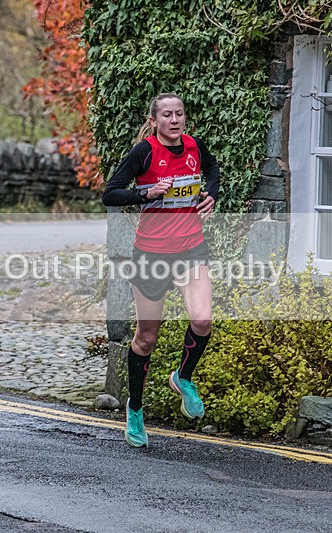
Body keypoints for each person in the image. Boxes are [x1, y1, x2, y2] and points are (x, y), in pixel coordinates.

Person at [102, 92, 220, 447]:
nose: (174, 120)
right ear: (154, 120)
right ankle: (135, 409)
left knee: (203, 320)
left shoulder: (195, 146)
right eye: (166, 115)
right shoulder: (145, 152)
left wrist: (211, 194)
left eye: (179, 114)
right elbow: (111, 193)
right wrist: (148, 193)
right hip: (151, 255)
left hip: (191, 249)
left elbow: (212, 170)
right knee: (146, 339)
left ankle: (182, 378)